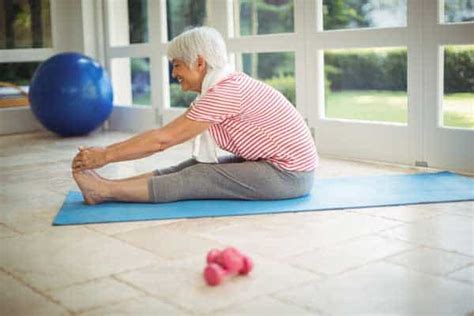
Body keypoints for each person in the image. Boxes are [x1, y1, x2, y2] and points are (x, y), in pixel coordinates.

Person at [72, 26, 318, 205]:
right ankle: (107, 187)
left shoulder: (225, 92)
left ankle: (104, 190)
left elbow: (162, 140)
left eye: (177, 64)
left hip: (290, 175)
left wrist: (105, 155)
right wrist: (105, 156)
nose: (174, 71)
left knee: (199, 176)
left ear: (199, 63)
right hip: (280, 168)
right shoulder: (223, 86)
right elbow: (163, 136)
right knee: (191, 166)